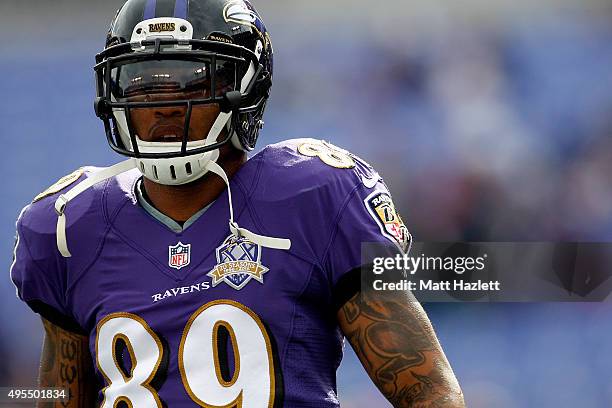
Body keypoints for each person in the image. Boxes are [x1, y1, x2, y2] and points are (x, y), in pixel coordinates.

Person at [10, 0, 465, 406]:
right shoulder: (69, 228)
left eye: (192, 80)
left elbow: (427, 391)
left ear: (244, 89)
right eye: (143, 84)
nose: (165, 105)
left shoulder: (314, 196)